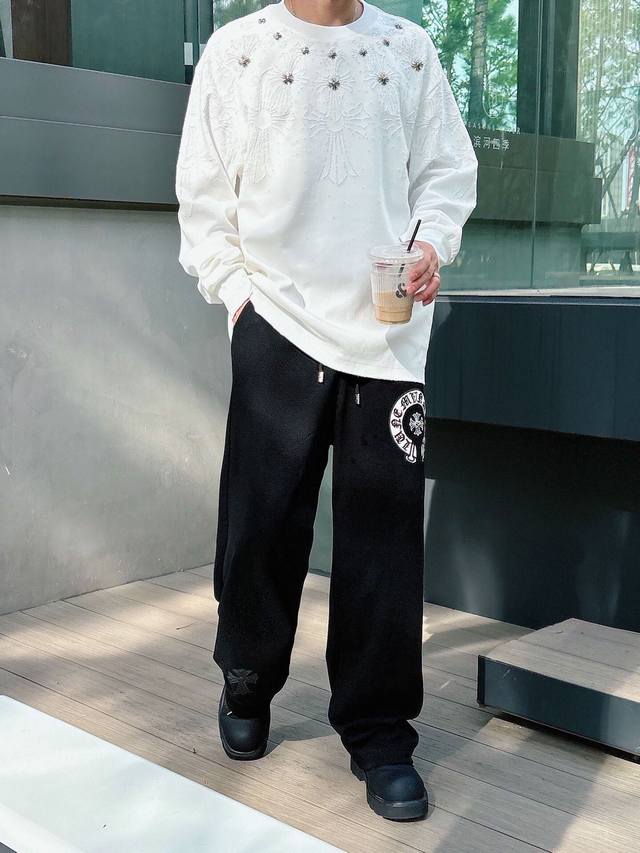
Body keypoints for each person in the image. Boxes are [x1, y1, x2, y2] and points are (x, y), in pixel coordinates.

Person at [176, 0, 477, 822]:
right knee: (262, 519)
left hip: (387, 329)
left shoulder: (408, 49)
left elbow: (446, 171)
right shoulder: (238, 50)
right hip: (275, 318)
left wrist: (430, 241)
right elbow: (204, 194)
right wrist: (238, 301)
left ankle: (379, 730)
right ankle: (247, 675)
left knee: (384, 538)